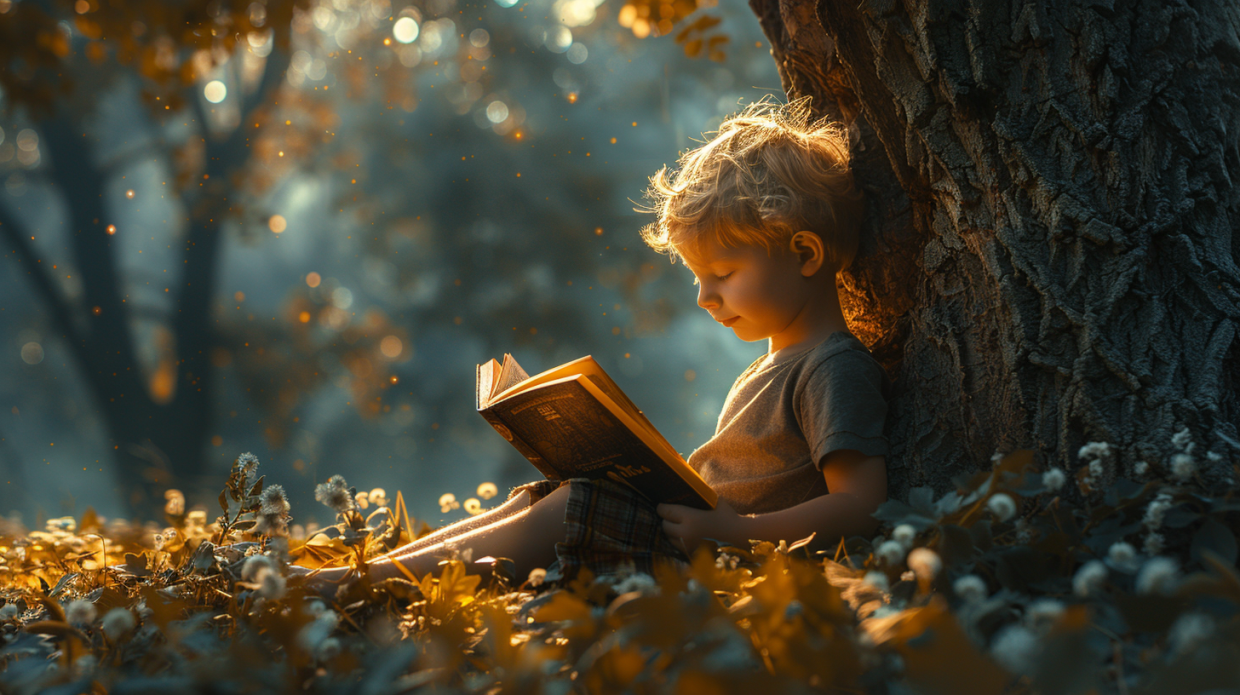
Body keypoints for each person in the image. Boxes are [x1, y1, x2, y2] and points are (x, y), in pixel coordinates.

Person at [301, 98, 890, 588]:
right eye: (697, 277)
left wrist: (737, 534)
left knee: (568, 509)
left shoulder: (831, 367)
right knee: (546, 498)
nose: (705, 297)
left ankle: (364, 586)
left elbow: (861, 505)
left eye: (724, 272)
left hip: (713, 557)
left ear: (806, 254)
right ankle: (373, 574)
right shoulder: (775, 362)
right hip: (697, 539)